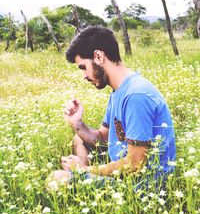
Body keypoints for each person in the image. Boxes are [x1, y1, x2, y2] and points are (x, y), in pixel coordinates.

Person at [48, 25, 176, 187]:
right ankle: (81, 172)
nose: (84, 76)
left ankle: (80, 173)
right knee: (78, 138)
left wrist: (87, 169)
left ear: (99, 56)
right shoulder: (119, 90)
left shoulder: (136, 95)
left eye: (83, 67)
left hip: (145, 184)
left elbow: (135, 164)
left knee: (56, 179)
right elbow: (102, 137)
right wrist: (77, 124)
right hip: (124, 169)